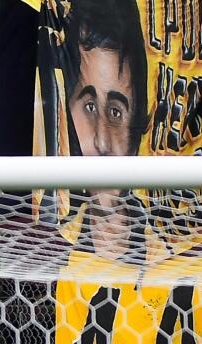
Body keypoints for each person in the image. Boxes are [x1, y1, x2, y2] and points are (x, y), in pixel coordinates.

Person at [62, 0, 148, 260]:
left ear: (140, 120)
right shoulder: (51, 244)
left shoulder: (179, 253)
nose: (101, 142)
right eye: (88, 107)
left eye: (115, 112)